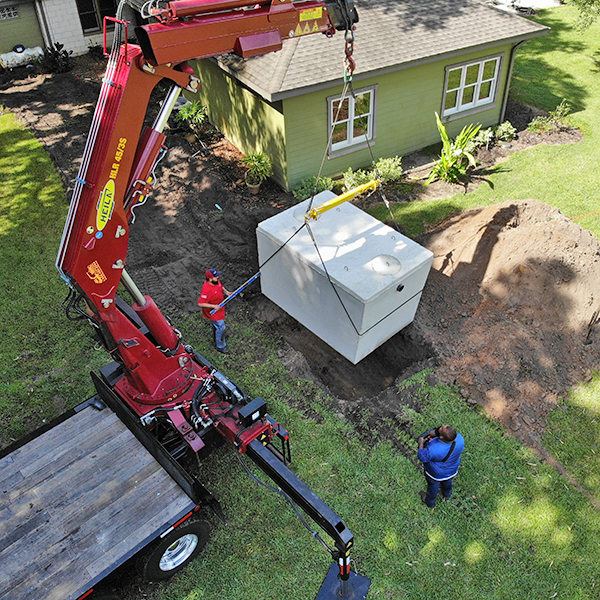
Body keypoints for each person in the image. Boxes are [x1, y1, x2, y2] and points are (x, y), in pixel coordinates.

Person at [417, 425, 464, 508]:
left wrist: (421, 443)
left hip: (436, 474)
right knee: (447, 481)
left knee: (433, 487)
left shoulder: (434, 449)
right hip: (452, 470)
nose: (442, 426)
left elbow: (422, 457)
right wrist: (435, 433)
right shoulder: (460, 439)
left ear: (441, 437)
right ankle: (447, 495)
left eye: (441, 428)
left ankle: (429, 502)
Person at [198, 269, 232, 354]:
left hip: (219, 307)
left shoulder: (216, 281)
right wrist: (214, 306)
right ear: (210, 279)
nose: (218, 277)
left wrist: (226, 292)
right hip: (213, 311)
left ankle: (217, 336)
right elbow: (201, 303)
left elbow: (221, 286)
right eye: (216, 276)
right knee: (221, 327)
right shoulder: (206, 289)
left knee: (216, 326)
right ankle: (221, 347)